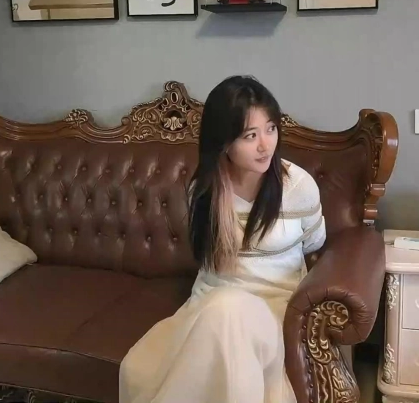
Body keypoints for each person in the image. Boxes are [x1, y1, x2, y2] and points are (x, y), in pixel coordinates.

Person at [118, 75, 326, 403]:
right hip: (209, 306)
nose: (265, 145)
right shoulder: (205, 189)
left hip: (272, 310)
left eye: (271, 129)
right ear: (224, 142)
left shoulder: (298, 187)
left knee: (230, 315)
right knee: (139, 368)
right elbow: (207, 256)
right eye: (250, 135)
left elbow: (315, 243)